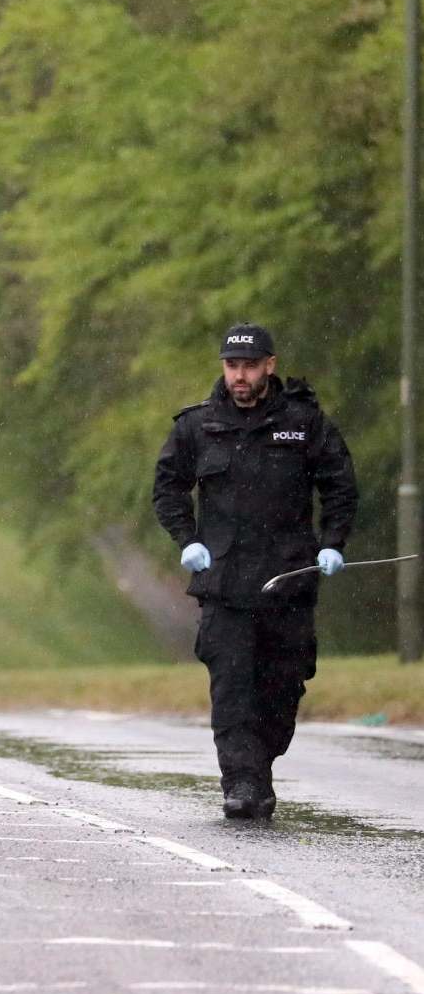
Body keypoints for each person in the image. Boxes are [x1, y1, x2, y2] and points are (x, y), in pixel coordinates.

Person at [152, 323, 357, 820]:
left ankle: (258, 766)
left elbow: (340, 488)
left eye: (248, 365)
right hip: (224, 585)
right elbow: (168, 489)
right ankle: (242, 784)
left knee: (282, 688)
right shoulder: (196, 427)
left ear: (270, 365)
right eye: (231, 365)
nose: (239, 376)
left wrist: (331, 545)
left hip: (288, 582)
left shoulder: (305, 423)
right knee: (233, 686)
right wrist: (188, 541)